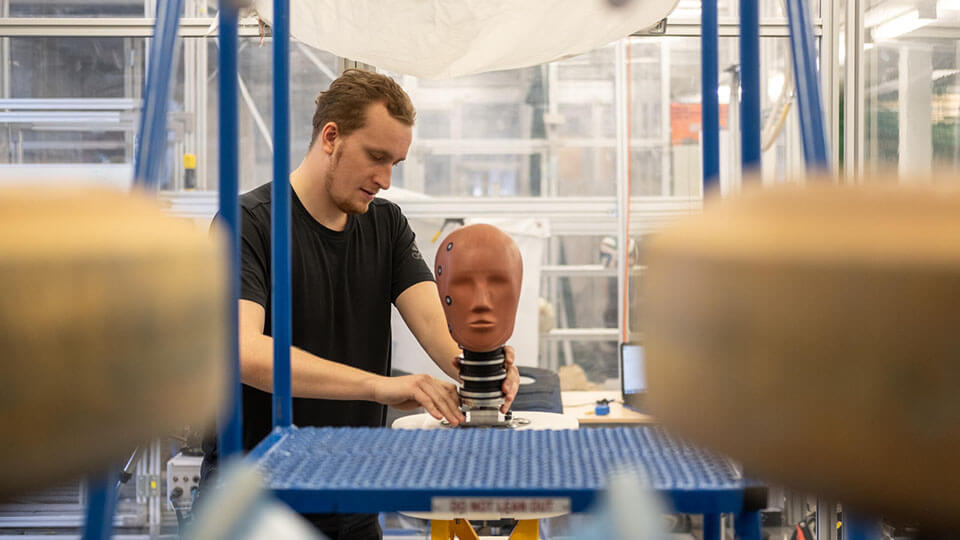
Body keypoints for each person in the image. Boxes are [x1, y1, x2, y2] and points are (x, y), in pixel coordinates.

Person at [202, 69, 520, 539]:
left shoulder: (386, 226)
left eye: (396, 162)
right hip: (256, 504)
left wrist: (481, 362)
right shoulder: (248, 224)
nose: (386, 180)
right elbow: (245, 354)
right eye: (376, 157)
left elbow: (441, 331)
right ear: (331, 137)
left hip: (352, 497)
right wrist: (380, 387)